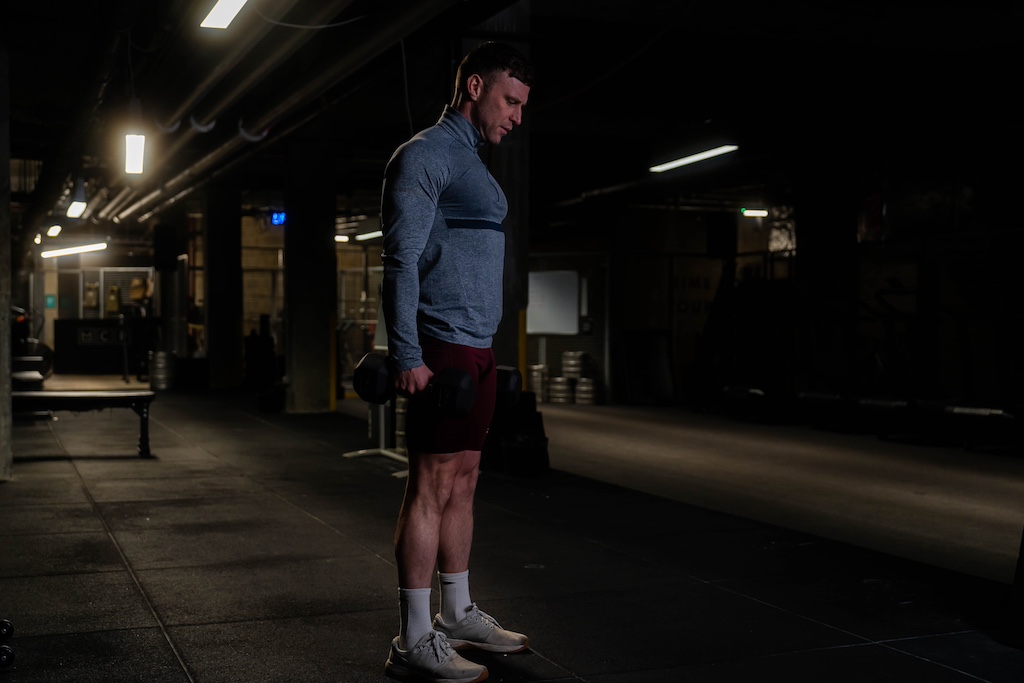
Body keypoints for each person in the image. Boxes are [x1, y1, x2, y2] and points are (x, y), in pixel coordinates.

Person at [380, 41, 535, 683]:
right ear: (474, 87)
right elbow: (400, 259)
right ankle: (414, 637)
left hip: (477, 347)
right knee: (431, 486)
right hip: (439, 347)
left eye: (523, 105)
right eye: (510, 100)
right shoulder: (424, 156)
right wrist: (407, 354)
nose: (517, 117)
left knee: (466, 480)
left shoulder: (472, 163)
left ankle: (457, 611)